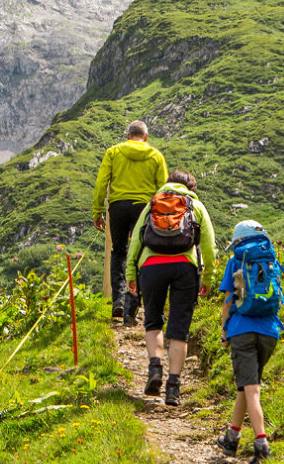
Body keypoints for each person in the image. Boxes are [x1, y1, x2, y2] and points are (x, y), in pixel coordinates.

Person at [126, 170, 216, 406]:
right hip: (185, 267)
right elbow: (209, 246)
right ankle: (173, 387)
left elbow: (136, 239)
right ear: (191, 187)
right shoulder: (195, 205)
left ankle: (155, 368)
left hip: (151, 266)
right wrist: (207, 279)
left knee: (153, 320)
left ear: (167, 185)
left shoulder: (152, 204)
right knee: (179, 328)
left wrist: (131, 274)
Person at [216, 220, 284, 464]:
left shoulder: (236, 261)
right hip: (270, 331)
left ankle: (261, 443)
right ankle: (232, 437)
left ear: (238, 241)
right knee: (247, 385)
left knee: (251, 388)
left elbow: (227, 301)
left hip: (242, 331)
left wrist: (225, 332)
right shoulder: (269, 259)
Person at [92, 120, 168, 322]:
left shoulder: (113, 152)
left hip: (117, 207)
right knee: (141, 253)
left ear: (127, 136)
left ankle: (118, 301)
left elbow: (101, 183)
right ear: (145, 137)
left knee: (119, 251)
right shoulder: (155, 156)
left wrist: (97, 211)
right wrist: (160, 217)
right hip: (144, 208)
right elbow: (163, 190)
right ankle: (132, 305)